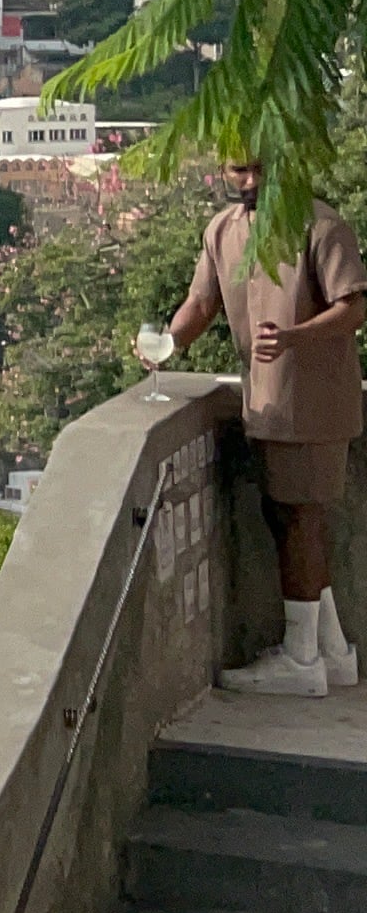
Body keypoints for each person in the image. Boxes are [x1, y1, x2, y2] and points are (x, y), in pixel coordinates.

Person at [155, 152, 367, 696]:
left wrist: (295, 337)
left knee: (300, 519)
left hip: (315, 397)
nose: (249, 182)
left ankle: (301, 660)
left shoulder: (321, 223)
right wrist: (167, 343)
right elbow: (201, 303)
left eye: (260, 170)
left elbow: (353, 308)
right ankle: (333, 650)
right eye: (238, 171)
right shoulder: (222, 231)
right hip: (266, 401)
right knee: (290, 516)